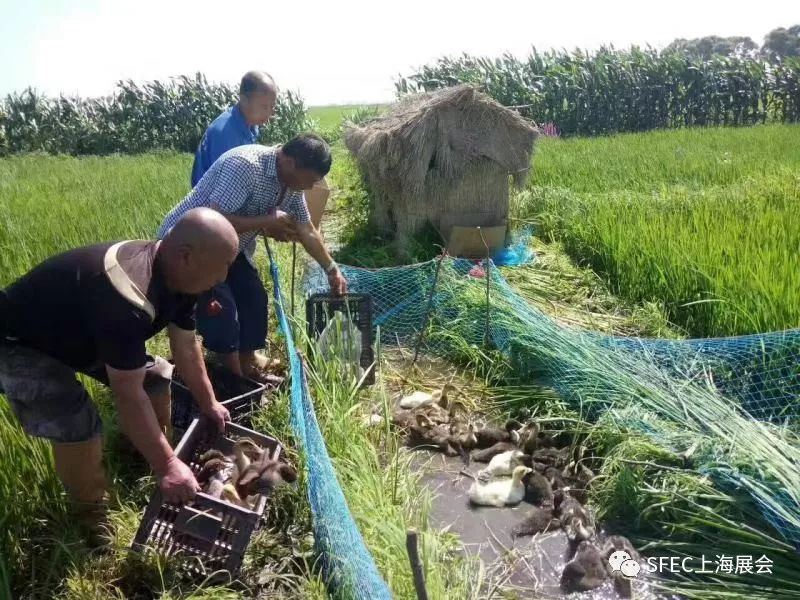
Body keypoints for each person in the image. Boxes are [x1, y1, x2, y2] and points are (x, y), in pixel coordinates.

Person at [0, 208, 239, 543]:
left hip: (81, 334)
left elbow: (185, 346)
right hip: (21, 342)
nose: (222, 280)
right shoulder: (127, 295)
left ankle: (142, 456)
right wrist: (169, 466)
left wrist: (209, 402)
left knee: (156, 375)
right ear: (186, 256)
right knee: (74, 420)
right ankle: (90, 518)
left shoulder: (180, 277)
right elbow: (128, 393)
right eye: (219, 271)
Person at [157, 134, 347, 383]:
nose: (311, 187)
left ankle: (247, 363)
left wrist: (331, 269)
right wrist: (267, 222)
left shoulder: (290, 184)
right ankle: (236, 378)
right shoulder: (245, 166)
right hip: (193, 248)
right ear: (290, 162)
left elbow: (307, 229)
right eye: (309, 180)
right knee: (222, 311)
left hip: (230, 248)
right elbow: (217, 220)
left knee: (254, 298)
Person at [191, 70, 277, 187]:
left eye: (272, 106)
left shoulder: (251, 124)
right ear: (244, 100)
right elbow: (224, 186)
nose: (269, 113)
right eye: (264, 106)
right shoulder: (224, 134)